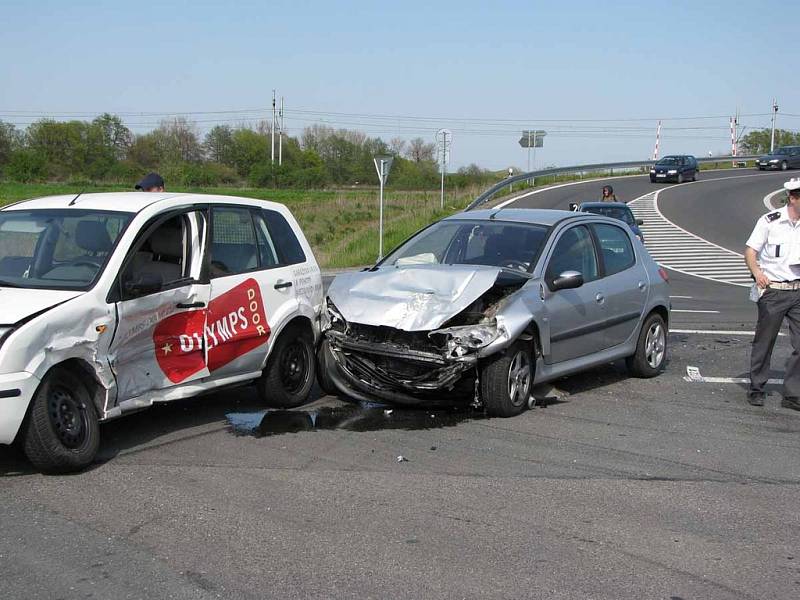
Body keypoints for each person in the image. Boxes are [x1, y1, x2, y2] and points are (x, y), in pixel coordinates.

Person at [744, 177, 800, 409]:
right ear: (793, 198)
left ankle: (793, 394)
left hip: (798, 289)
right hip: (773, 290)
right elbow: (750, 251)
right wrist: (757, 273)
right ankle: (757, 387)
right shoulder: (770, 221)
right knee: (765, 342)